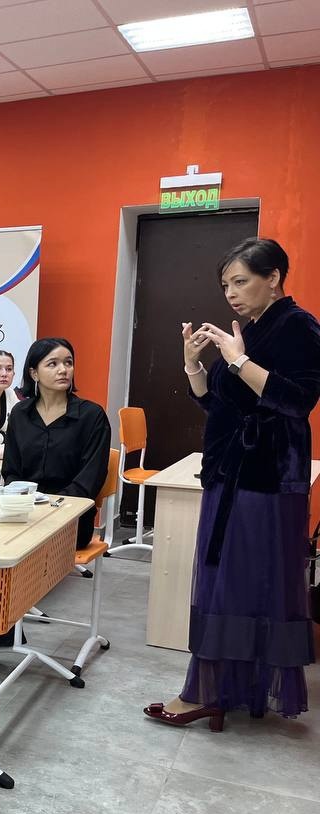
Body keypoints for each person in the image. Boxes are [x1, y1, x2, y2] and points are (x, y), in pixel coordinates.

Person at [146, 237, 320, 729]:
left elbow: (297, 402)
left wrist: (240, 361)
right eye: (225, 285)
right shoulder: (251, 329)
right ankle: (227, 689)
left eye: (241, 282)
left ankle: (208, 691)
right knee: (227, 580)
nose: (231, 294)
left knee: (241, 583)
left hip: (265, 478)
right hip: (229, 472)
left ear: (274, 278)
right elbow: (216, 403)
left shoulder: (299, 326)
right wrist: (192, 363)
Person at [2, 338, 110, 550]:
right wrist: (22, 502)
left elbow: (90, 478)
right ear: (34, 373)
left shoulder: (91, 415)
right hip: (25, 512)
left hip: (71, 516)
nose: (63, 370)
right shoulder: (20, 414)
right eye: (53, 364)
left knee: (22, 544)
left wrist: (52, 506)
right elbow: (11, 471)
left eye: (68, 363)